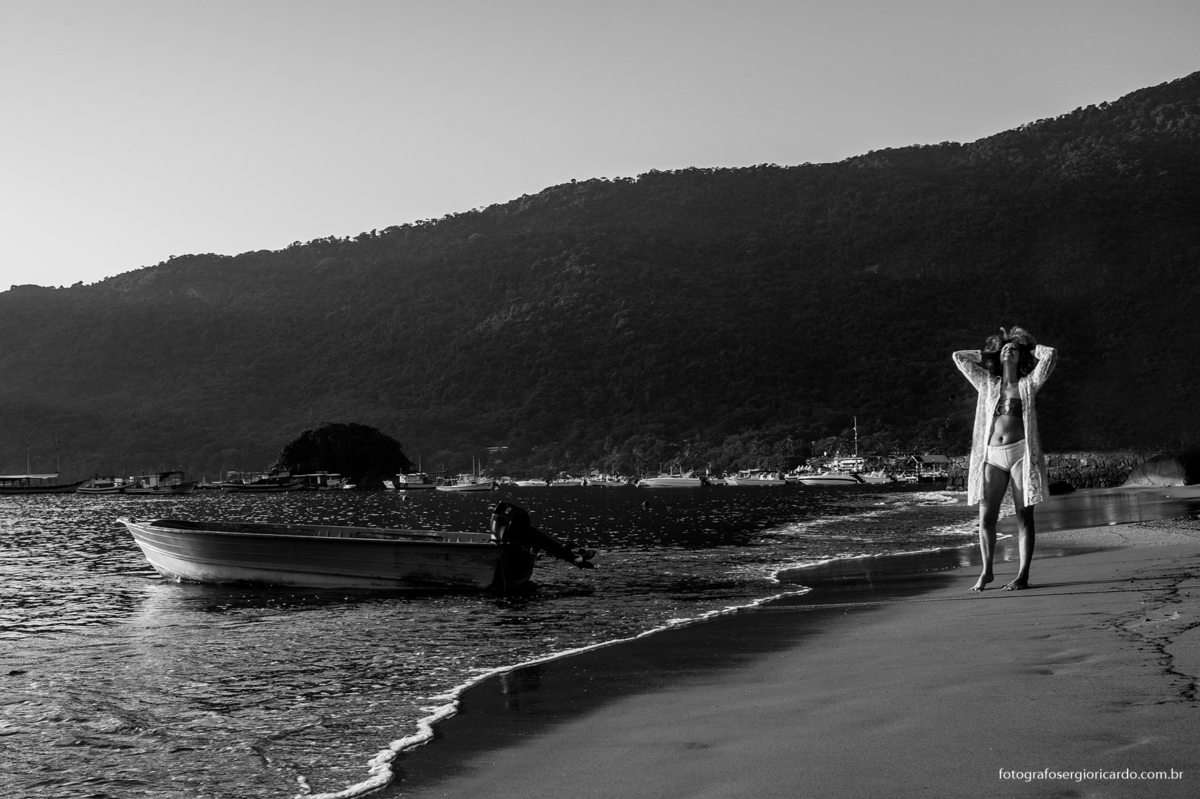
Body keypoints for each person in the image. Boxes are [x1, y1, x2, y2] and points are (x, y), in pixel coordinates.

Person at [953, 327, 1057, 591]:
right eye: (1005, 349)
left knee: (1024, 515)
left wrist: (1028, 349)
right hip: (992, 455)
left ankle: (1022, 575)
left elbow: (1050, 356)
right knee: (986, 517)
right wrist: (991, 353)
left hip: (1022, 452)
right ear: (998, 356)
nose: (1009, 350)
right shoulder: (987, 384)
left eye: (1014, 349)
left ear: (1021, 356)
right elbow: (959, 358)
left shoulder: (1028, 384)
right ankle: (987, 571)